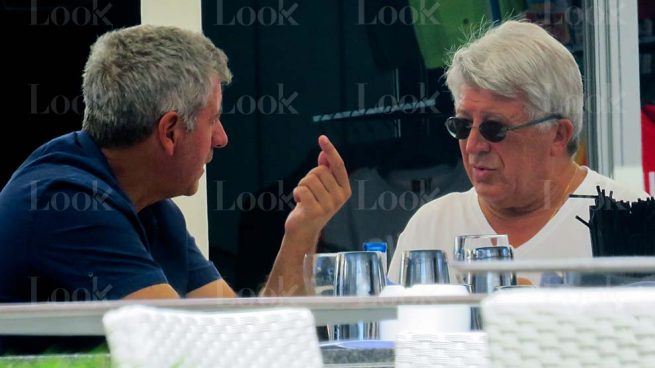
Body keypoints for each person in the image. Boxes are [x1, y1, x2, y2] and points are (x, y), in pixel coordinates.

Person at [0, 24, 351, 304]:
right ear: (170, 131)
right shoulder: (66, 205)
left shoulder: (151, 208)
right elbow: (205, 357)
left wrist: (302, 232)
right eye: (213, 120)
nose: (222, 138)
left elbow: (242, 338)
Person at [387, 20, 649, 286]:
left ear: (558, 135)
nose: (473, 145)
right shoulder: (430, 228)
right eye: (462, 125)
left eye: (494, 128)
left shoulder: (629, 221)